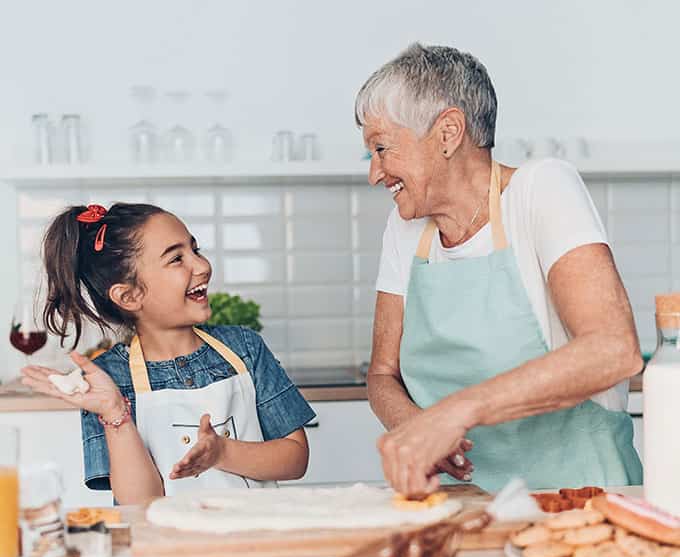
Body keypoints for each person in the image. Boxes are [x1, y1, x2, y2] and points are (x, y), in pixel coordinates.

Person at [356, 43, 643, 495]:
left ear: (448, 132)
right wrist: (419, 429)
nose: (374, 172)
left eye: (381, 148)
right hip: (462, 505)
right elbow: (381, 374)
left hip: (581, 501)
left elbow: (613, 350)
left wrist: (455, 412)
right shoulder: (404, 228)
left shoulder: (541, 189)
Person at [22, 203, 315, 504]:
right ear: (129, 296)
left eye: (195, 250)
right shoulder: (106, 382)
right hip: (168, 546)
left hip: (255, 541)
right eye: (177, 259)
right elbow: (140, 503)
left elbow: (295, 458)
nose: (202, 266)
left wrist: (223, 452)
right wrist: (114, 413)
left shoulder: (244, 348)